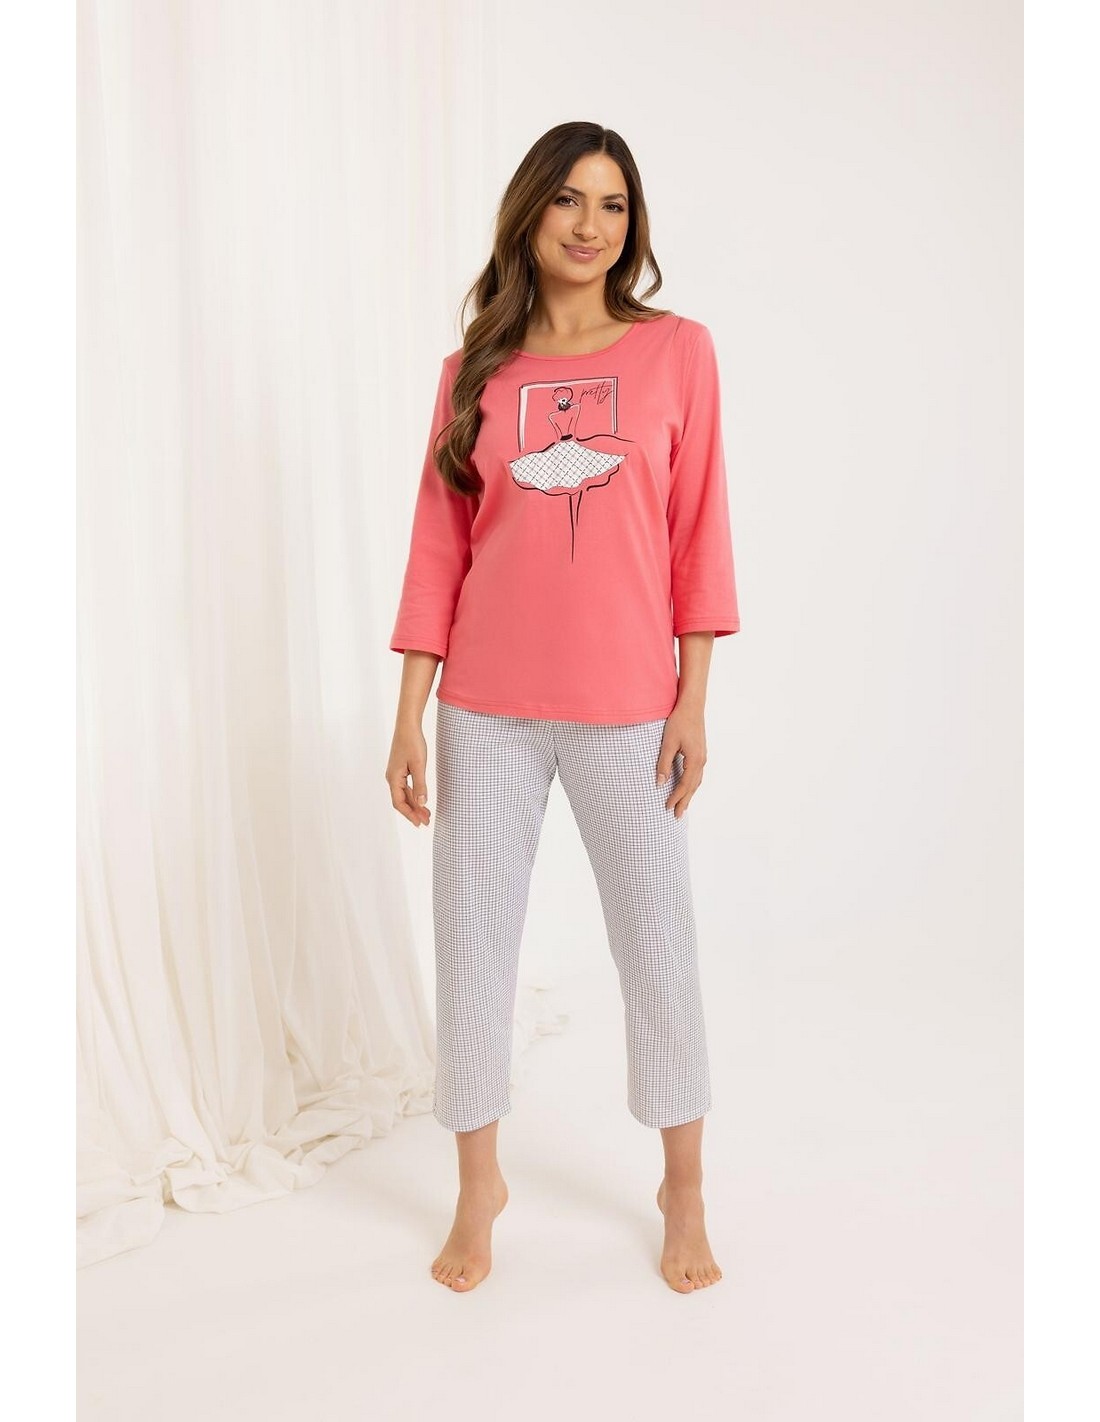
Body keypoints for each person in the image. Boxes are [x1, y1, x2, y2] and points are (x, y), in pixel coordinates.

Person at [385, 121, 740, 1295]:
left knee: (658, 947)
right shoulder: (472, 372)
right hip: (483, 709)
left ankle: (681, 1186)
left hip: (628, 709)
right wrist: (409, 713)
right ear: (529, 213)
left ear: (631, 226)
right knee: (472, 951)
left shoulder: (676, 352)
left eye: (613, 205)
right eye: (569, 201)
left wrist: (691, 700)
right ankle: (475, 1185)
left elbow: (697, 532)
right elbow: (438, 549)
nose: (591, 226)